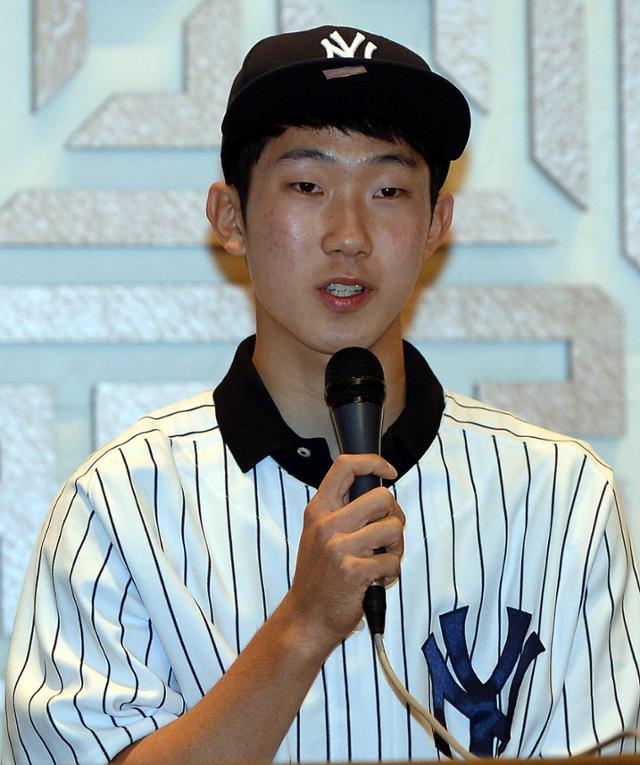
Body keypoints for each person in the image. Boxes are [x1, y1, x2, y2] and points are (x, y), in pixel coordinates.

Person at [4, 25, 640, 765]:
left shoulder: (560, 496)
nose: (349, 234)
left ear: (436, 223)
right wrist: (304, 624)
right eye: (307, 186)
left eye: (389, 190)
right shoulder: (119, 506)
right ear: (231, 217)